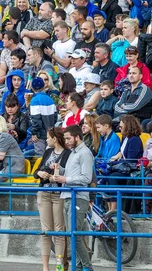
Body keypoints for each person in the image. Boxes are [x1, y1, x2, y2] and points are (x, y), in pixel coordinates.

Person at [50, 124, 94, 271]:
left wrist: (65, 179)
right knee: (72, 235)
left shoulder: (85, 153)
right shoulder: (73, 152)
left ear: (77, 137)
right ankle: (80, 266)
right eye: (65, 138)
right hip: (69, 195)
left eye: (68, 138)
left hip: (79, 197)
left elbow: (86, 178)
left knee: (74, 235)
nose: (66, 141)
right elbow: (72, 172)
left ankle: (87, 266)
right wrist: (59, 169)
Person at [33, 126, 71, 271]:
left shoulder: (68, 154)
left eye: (48, 137)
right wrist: (41, 173)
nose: (46, 140)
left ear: (54, 139)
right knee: (46, 231)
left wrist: (49, 172)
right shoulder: (48, 152)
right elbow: (37, 171)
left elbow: (65, 172)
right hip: (44, 192)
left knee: (60, 231)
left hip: (59, 194)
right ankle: (45, 267)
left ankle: (59, 265)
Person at [29, 77, 58, 156]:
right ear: (43, 86)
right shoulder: (50, 99)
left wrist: (34, 133)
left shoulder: (34, 100)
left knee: (40, 157)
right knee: (49, 156)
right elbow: (55, 118)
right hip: (50, 134)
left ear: (32, 87)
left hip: (39, 135)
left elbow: (36, 120)